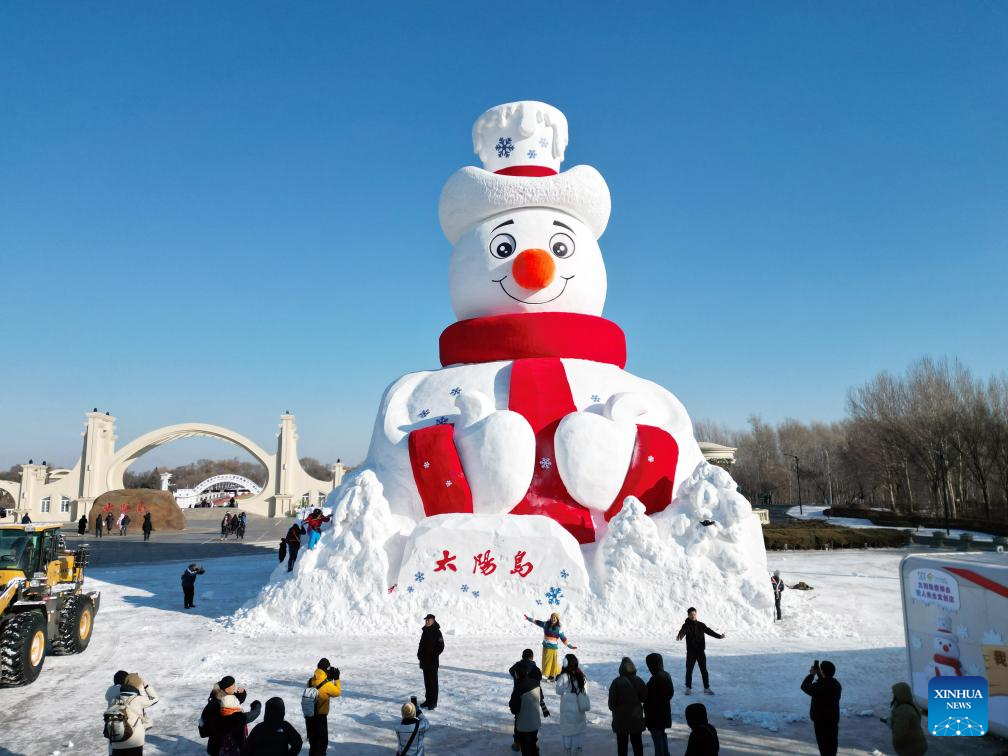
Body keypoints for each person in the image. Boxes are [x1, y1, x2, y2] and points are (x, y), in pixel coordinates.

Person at [200, 676, 259, 756]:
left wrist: (241, 694)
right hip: (220, 747)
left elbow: (235, 700)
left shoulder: (223, 697)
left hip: (220, 746)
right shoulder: (215, 706)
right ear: (227, 689)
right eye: (233, 686)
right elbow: (204, 730)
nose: (235, 687)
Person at [104, 672, 159, 755]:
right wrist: (145, 686)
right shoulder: (139, 699)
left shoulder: (114, 699)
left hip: (117, 741)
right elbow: (155, 698)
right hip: (135, 742)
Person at [675, 607, 726, 695]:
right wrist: (680, 635)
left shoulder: (701, 625)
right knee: (689, 670)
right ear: (688, 615)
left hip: (700, 652)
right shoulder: (686, 625)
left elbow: (710, 631)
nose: (693, 616)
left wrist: (719, 636)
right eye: (691, 614)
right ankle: (688, 688)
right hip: (691, 652)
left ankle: (706, 688)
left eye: (694, 614)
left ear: (696, 614)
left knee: (704, 670)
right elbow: (683, 631)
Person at [509, 649, 549, 751]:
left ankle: (517, 742)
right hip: (533, 696)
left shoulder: (518, 666)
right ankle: (533, 743)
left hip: (519, 695)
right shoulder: (536, 669)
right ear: (532, 657)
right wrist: (543, 705)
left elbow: (510, 670)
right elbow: (539, 685)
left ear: (522, 656)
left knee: (518, 719)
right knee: (533, 718)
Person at [801, 660, 841, 756]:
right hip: (833, 722)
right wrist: (819, 673)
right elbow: (825, 681)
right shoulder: (837, 685)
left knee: (824, 749)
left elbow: (804, 686)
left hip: (821, 723)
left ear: (822, 671)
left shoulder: (819, 687)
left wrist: (812, 675)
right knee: (832, 748)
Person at [609, 656, 647, 756]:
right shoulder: (639, 681)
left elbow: (611, 705)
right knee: (637, 744)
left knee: (622, 745)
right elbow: (645, 698)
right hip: (636, 719)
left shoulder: (616, 682)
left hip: (620, 720)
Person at [523, 612, 577, 680]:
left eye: (555, 618)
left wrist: (570, 646)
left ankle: (552, 675)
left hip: (553, 649)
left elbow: (563, 639)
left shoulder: (559, 629)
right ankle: (554, 674)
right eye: (552, 617)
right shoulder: (546, 624)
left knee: (551, 663)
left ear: (557, 619)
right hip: (545, 647)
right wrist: (528, 618)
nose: (553, 619)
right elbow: (537, 622)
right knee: (546, 662)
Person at [304, 658, 341, 755]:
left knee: (313, 745)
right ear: (327, 670)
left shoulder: (310, 681)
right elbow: (337, 692)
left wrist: (328, 679)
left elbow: (319, 685)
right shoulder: (327, 684)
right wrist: (336, 679)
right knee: (321, 746)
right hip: (320, 719)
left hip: (309, 718)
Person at [555, 653, 588, 756]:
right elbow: (585, 691)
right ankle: (579, 750)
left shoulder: (563, 677)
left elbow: (558, 691)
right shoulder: (581, 676)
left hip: (567, 710)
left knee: (567, 732)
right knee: (578, 731)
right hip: (579, 709)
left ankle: (568, 751)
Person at [644, 652, 674, 756]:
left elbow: (648, 698)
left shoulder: (655, 679)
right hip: (664, 713)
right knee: (662, 736)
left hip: (655, 717)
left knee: (658, 742)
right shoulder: (666, 675)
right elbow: (670, 693)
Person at [510, 663, 543, 756]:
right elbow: (541, 698)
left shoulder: (518, 688)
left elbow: (514, 710)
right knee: (533, 746)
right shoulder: (536, 683)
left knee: (526, 750)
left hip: (524, 726)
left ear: (516, 674)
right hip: (535, 722)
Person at [887, 681, 927, 756]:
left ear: (900, 695)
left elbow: (899, 733)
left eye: (894, 694)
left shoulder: (903, 710)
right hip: (918, 745)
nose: (893, 696)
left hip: (910, 748)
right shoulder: (910, 705)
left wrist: (896, 745)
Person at [417, 613, 444, 709]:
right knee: (427, 682)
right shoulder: (425, 631)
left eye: (428, 620)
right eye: (426, 620)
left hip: (432, 662)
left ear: (433, 621)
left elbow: (441, 646)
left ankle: (433, 702)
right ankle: (428, 700)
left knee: (433, 683)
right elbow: (421, 644)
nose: (427, 621)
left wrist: (433, 655)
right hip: (424, 661)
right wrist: (419, 654)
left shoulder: (437, 632)